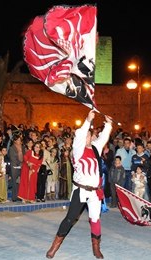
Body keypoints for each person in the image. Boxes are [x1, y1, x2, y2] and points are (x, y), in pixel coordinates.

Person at [46, 110, 112, 259]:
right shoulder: (78, 149)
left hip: (95, 192)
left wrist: (108, 124)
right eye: (87, 135)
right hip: (81, 190)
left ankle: (96, 247)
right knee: (70, 218)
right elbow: (81, 134)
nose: (89, 136)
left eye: (90, 135)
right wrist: (88, 120)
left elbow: (103, 137)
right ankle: (55, 246)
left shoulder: (95, 148)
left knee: (95, 219)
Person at [8, 134, 23, 202]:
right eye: (18, 140)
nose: (19, 141)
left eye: (20, 140)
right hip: (15, 166)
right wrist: (19, 163)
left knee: (20, 182)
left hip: (22, 166)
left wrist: (23, 163)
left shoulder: (22, 147)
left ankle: (19, 196)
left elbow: (25, 156)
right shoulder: (12, 148)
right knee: (14, 182)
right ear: (14, 141)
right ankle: (14, 197)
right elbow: (12, 158)